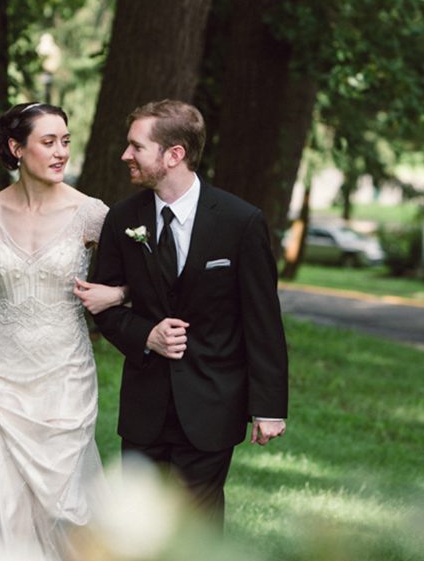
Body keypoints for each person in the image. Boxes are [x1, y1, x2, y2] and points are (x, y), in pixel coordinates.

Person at [87, 99, 289, 530]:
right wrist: (146, 335)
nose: (125, 156)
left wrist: (268, 407)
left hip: (213, 404)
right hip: (145, 407)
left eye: (136, 147)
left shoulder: (240, 221)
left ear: (173, 154)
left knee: (194, 532)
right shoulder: (123, 219)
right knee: (138, 531)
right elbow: (102, 305)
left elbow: (263, 321)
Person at [0, 102, 124, 560]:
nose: (61, 153)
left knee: (69, 504)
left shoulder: (92, 215)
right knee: (3, 501)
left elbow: (137, 283)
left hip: (66, 373)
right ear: (17, 148)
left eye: (65, 141)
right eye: (48, 142)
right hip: (4, 373)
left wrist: (116, 294)